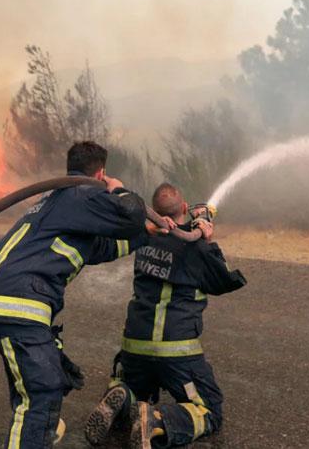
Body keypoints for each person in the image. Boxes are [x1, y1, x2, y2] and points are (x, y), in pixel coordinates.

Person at [0, 141, 148, 448]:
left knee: (35, 386)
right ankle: (35, 433)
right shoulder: (84, 193)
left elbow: (100, 248)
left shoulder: (61, 201)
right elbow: (131, 213)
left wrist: (147, 235)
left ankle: (39, 433)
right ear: (101, 172)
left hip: (4, 295)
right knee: (42, 390)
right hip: (17, 299)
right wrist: (118, 189)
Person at [84, 182, 246, 449]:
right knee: (209, 410)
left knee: (138, 388)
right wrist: (208, 241)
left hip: (134, 349)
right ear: (185, 208)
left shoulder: (145, 239)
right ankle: (156, 420)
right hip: (176, 353)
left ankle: (124, 395)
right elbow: (226, 281)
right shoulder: (196, 249)